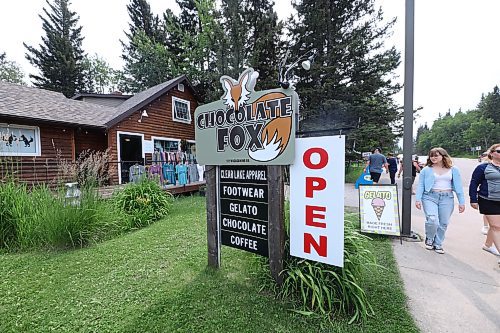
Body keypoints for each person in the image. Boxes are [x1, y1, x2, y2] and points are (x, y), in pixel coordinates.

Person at [415, 147, 465, 254]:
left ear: (443, 156)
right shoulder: (426, 170)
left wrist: (462, 202)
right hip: (430, 196)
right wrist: (418, 199)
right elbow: (421, 186)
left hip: (447, 198)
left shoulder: (453, 169)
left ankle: (438, 243)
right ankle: (429, 238)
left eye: (436, 155)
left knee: (444, 222)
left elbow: (459, 187)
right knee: (432, 220)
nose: (433, 158)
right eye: (431, 155)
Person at [469, 143, 500, 263]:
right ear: (492, 153)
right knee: (496, 226)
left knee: (496, 226)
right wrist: (473, 199)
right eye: (499, 151)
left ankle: (488, 245)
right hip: (488, 200)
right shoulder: (483, 168)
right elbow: (474, 183)